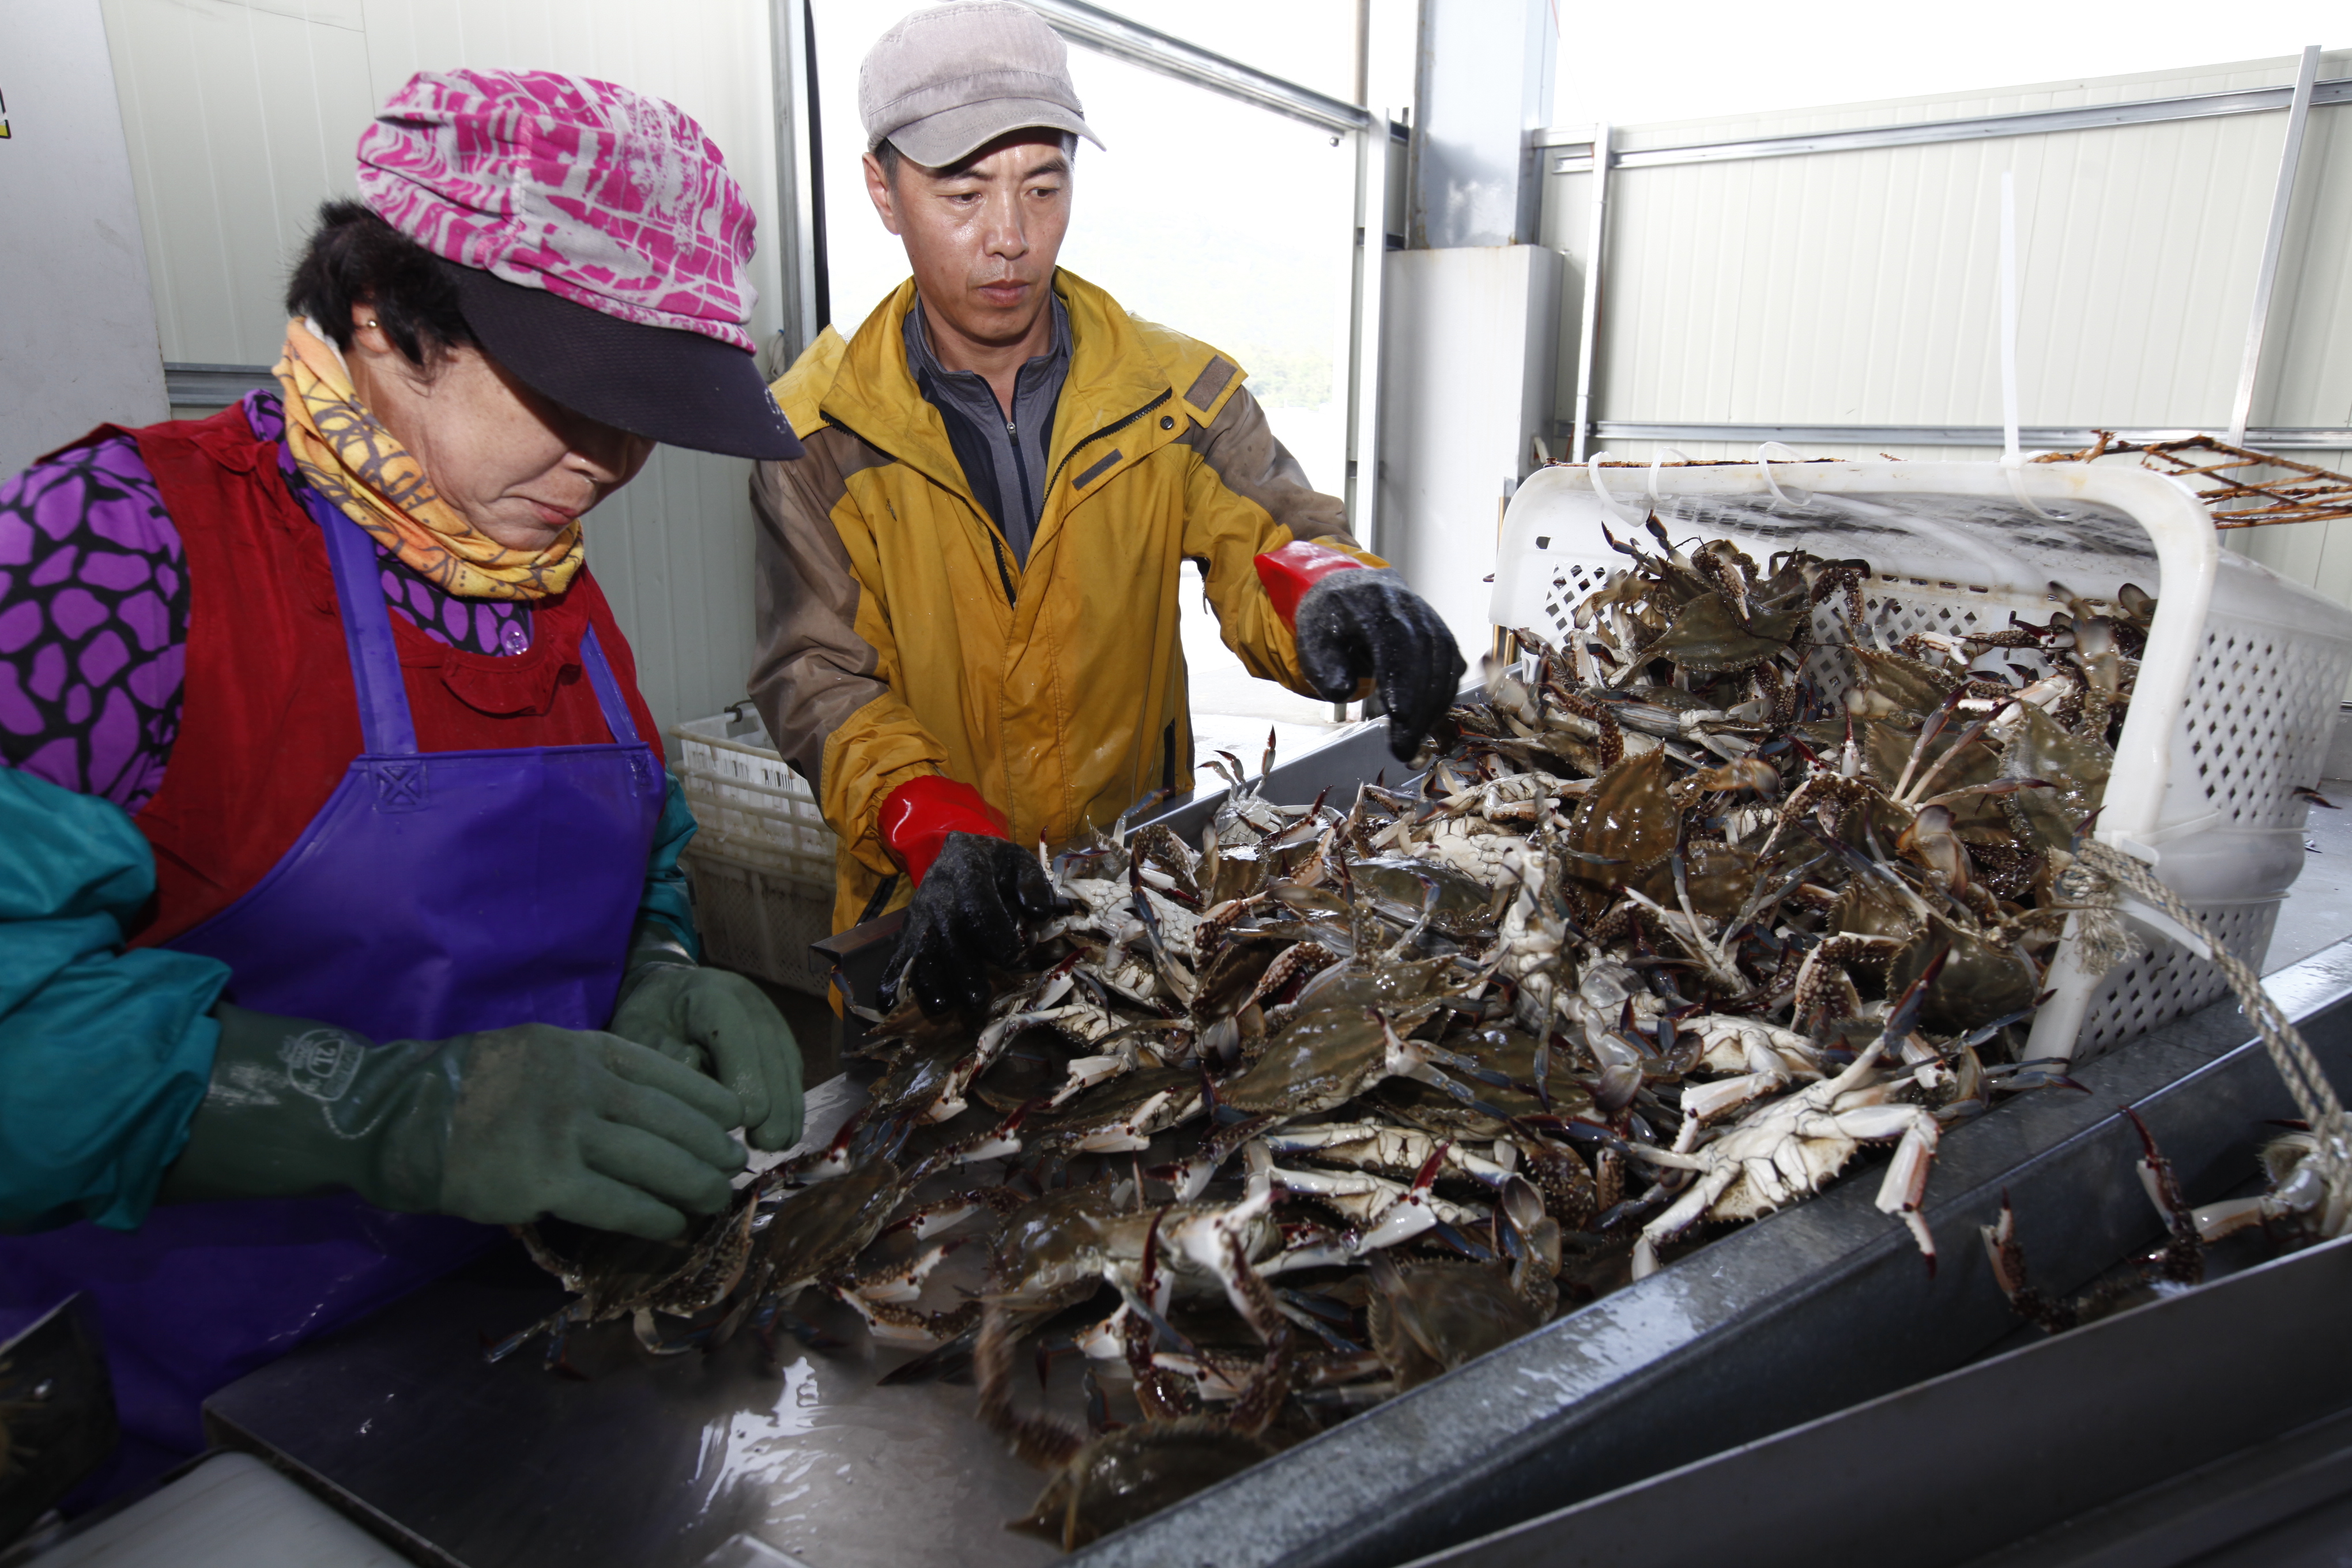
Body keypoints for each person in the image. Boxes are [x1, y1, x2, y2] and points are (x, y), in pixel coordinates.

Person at [0, 69, 805, 1497]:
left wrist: (655, 968)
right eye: (577, 392)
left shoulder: (539, 580)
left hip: (487, 1367)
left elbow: (638, 856)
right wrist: (391, 1110)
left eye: (649, 413)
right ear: (383, 312)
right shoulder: (112, 548)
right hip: (194, 1439)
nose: (612, 460)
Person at [749, 1, 1465, 1016]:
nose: (1010, 238)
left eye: (1044, 186)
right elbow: (820, 678)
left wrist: (1333, 595)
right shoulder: (815, 437)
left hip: (1141, 895)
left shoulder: (1177, 394)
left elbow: (1268, 531)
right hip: (934, 907)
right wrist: (933, 823)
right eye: (963, 193)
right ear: (883, 190)